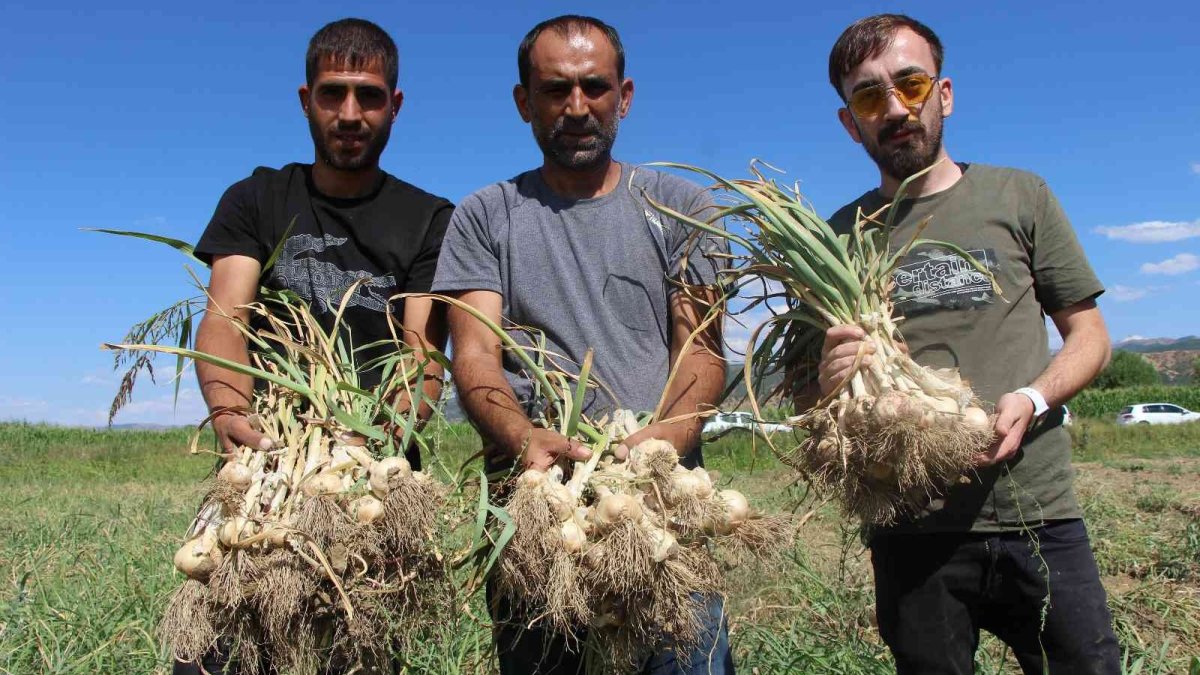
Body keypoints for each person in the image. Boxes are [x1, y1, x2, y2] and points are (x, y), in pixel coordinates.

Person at [808, 13, 1121, 674]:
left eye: (911, 84)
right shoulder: (834, 238)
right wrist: (830, 380)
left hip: (1038, 511)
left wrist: (1033, 397)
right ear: (850, 122)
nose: (896, 109)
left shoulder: (1020, 195)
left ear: (943, 94)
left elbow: (1090, 337)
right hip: (911, 525)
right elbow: (809, 396)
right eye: (870, 97)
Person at [430, 15, 733, 675]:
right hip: (542, 515)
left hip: (657, 510)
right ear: (524, 102)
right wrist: (521, 436)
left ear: (624, 96)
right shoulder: (484, 215)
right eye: (555, 89)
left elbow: (702, 351)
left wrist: (661, 444)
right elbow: (474, 355)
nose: (576, 107)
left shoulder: (681, 206)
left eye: (594, 87)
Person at [178, 17, 452, 675]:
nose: (350, 114)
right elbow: (225, 317)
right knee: (219, 652)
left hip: (366, 485)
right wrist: (230, 412)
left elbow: (422, 357)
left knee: (354, 654)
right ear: (306, 100)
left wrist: (371, 441)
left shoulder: (429, 219)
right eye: (333, 93)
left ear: (395, 105)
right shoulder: (256, 199)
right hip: (268, 465)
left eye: (369, 96)